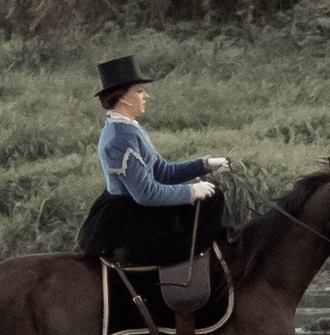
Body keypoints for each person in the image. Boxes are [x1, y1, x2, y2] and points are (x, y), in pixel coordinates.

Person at [76, 55, 230, 268]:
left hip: (138, 207)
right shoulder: (119, 138)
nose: (145, 95)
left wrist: (205, 165)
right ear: (123, 98)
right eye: (139, 91)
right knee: (210, 204)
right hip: (130, 216)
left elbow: (163, 172)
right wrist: (191, 192)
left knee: (215, 197)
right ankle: (186, 274)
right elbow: (145, 194)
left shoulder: (130, 128)